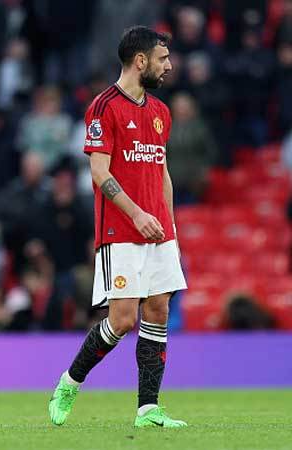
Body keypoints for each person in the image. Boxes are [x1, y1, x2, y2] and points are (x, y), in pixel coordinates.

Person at [48, 26, 188, 428]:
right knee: (123, 319)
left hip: (159, 230)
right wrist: (137, 214)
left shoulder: (161, 112)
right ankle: (70, 381)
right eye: (162, 58)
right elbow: (98, 172)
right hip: (121, 231)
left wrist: (170, 227)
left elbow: (162, 174)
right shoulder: (103, 107)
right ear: (140, 60)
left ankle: (148, 408)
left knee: (158, 309)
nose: (168, 65)